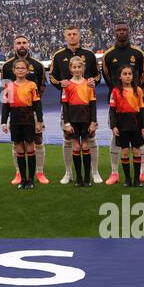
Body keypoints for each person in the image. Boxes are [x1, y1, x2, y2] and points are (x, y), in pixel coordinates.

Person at [101, 22, 144, 185]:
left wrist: (135, 90)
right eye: (118, 30)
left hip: (135, 100)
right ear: (114, 33)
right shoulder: (109, 54)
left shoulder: (137, 53)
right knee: (115, 138)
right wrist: (119, 89)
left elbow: (143, 74)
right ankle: (115, 173)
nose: (121, 33)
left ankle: (143, 173)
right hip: (118, 102)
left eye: (124, 30)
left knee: (139, 143)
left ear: (128, 32)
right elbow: (107, 76)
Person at [50, 26, 99, 185]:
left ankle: (94, 172)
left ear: (79, 36)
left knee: (90, 138)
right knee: (68, 138)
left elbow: (97, 76)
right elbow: (52, 78)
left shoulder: (89, 55)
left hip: (86, 104)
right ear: (65, 37)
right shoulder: (58, 56)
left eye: (75, 34)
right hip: (68, 105)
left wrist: (93, 81)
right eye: (69, 34)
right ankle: (68, 173)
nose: (72, 37)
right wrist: (61, 83)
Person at [1, 35, 47, 185]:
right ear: (14, 46)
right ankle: (19, 174)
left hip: (31, 110)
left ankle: (39, 172)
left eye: (24, 42)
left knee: (37, 140)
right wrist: (3, 120)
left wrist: (36, 113)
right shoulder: (6, 66)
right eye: (18, 43)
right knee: (18, 144)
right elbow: (5, 95)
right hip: (15, 113)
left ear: (28, 45)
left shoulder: (38, 65)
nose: (21, 45)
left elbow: (41, 87)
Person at [59, 55, 97, 187]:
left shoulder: (89, 84)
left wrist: (93, 122)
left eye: (79, 67)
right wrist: (67, 123)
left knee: (86, 146)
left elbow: (93, 104)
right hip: (73, 120)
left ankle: (87, 177)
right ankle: (78, 178)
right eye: (74, 67)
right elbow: (64, 106)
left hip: (86, 119)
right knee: (75, 146)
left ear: (83, 68)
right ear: (70, 69)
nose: (77, 69)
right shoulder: (67, 85)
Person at [108, 66, 144, 188]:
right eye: (124, 74)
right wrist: (113, 126)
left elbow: (143, 110)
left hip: (136, 126)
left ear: (132, 76)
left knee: (136, 151)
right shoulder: (115, 91)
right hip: (122, 126)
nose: (127, 76)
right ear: (120, 76)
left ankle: (137, 179)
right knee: (124, 152)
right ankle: (127, 179)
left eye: (129, 73)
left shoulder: (139, 90)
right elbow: (112, 111)